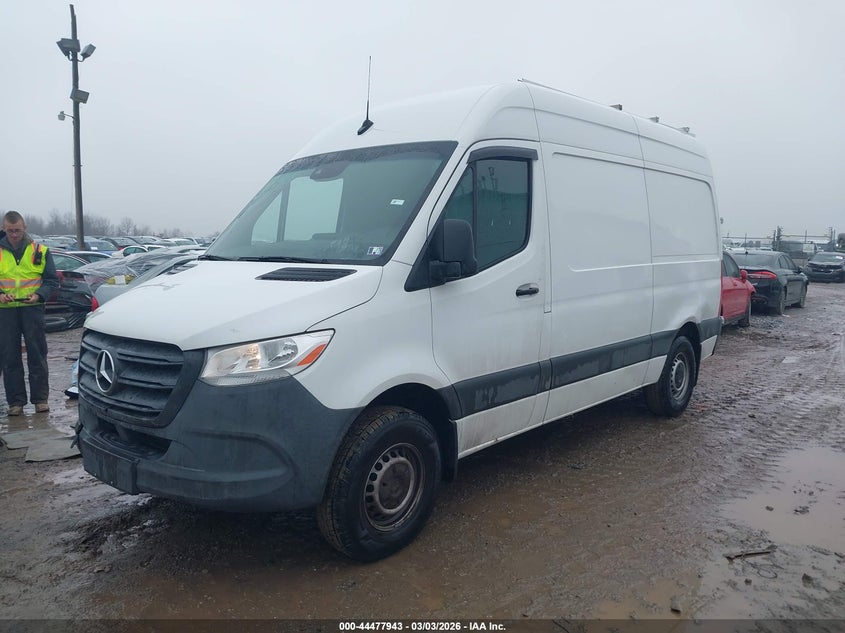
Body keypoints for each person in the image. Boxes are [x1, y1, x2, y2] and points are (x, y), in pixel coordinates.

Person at [0, 211, 59, 416]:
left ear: (24, 228)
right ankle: (16, 403)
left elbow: (51, 280)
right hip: (6, 312)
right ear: (4, 229)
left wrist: (39, 295)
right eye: (10, 230)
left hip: (32, 309)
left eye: (17, 230)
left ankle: (40, 400)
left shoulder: (40, 251)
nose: (14, 234)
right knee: (9, 358)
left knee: (37, 354)